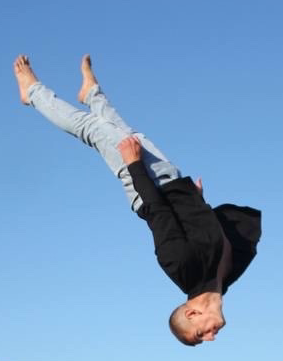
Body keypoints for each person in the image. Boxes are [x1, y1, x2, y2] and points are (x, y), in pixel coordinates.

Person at [13, 54, 261, 345]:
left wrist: (133, 165)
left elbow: (158, 213)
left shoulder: (181, 267)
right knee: (126, 132)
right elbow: (206, 229)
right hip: (173, 182)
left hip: (148, 184)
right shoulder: (225, 278)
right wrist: (197, 203)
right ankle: (91, 94)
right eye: (204, 337)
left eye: (200, 334)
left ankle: (32, 93)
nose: (210, 338)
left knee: (91, 130)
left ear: (192, 313)